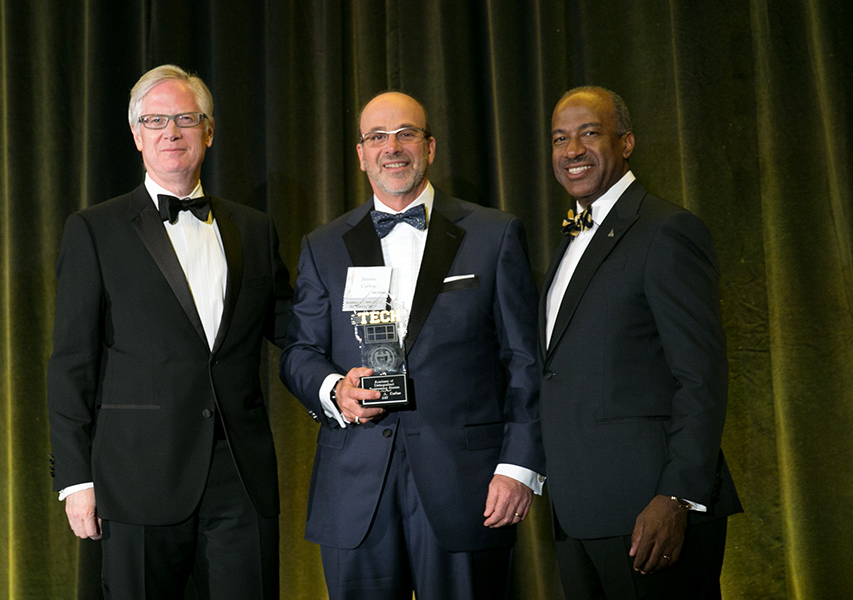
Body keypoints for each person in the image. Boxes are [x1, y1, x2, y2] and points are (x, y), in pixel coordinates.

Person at [279, 91, 545, 600]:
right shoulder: (324, 244)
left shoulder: (493, 234)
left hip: (466, 484)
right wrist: (335, 390)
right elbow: (298, 352)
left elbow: (524, 360)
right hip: (355, 486)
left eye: (406, 133)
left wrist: (518, 468)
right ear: (360, 154)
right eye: (377, 136)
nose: (392, 147)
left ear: (430, 146)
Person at [46, 64, 291, 599]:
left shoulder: (254, 227)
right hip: (136, 478)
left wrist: (346, 370)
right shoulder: (94, 230)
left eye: (185, 118)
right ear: (136, 136)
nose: (171, 132)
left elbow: (289, 326)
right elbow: (71, 364)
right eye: (155, 120)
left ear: (208, 131)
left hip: (238, 479)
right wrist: (76, 480)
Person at [539, 85, 742, 599]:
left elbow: (702, 376)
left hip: (649, 516)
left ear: (626, 143)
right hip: (579, 513)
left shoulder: (666, 230)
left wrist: (677, 496)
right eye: (560, 138)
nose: (572, 150)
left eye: (590, 133)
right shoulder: (569, 239)